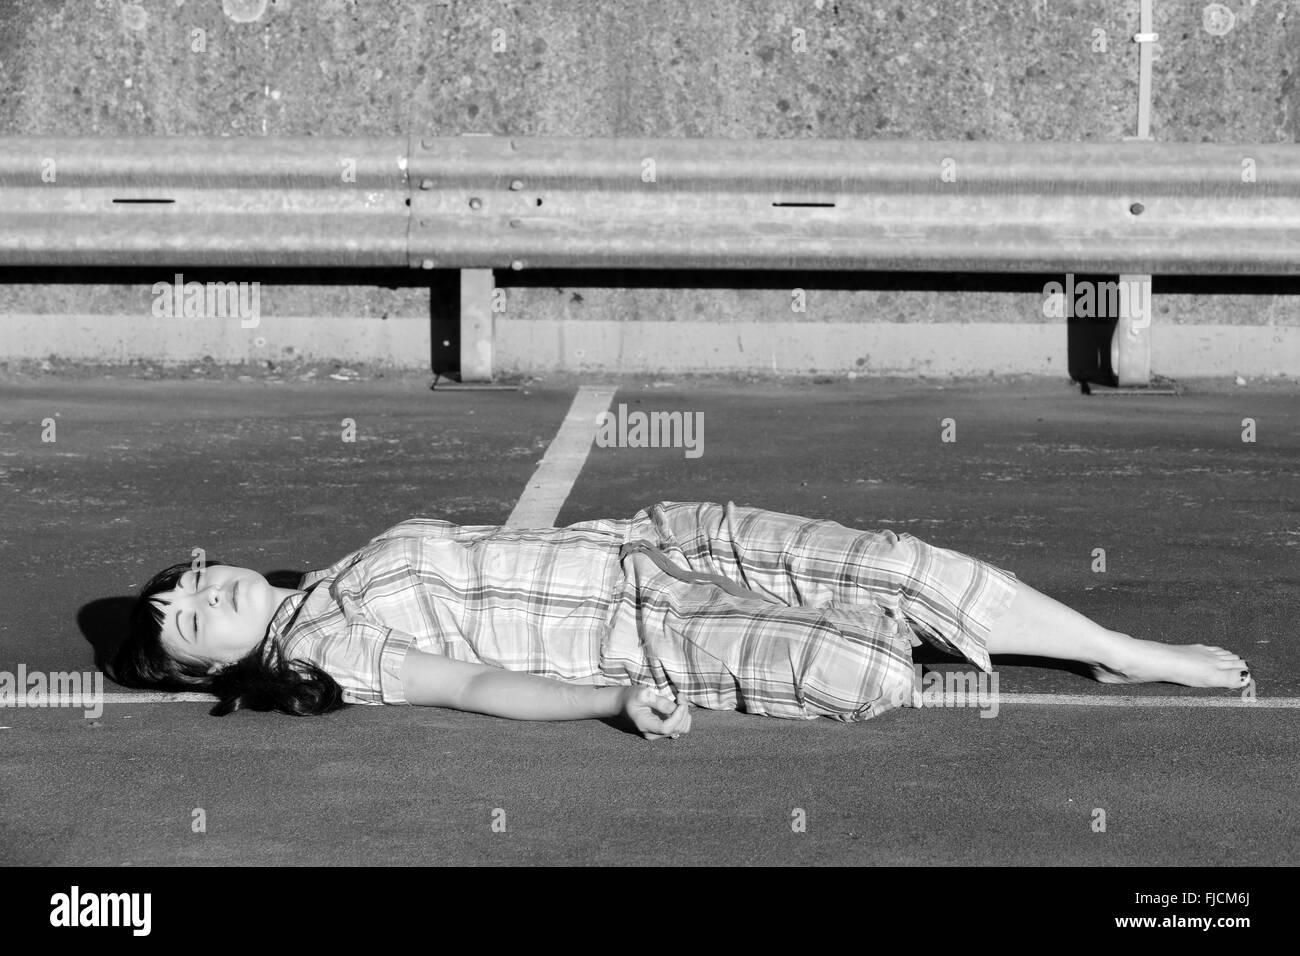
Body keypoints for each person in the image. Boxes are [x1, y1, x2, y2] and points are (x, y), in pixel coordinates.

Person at [112, 501, 1252, 739]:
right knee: (869, 670)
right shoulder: (321, 645)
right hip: (644, 633)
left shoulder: (339, 571)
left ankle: (1117, 649)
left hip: (649, 537)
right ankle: (925, 635)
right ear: (207, 668)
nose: (189, 592)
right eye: (179, 620)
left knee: (889, 559)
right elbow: (465, 686)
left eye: (187, 578)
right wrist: (612, 698)